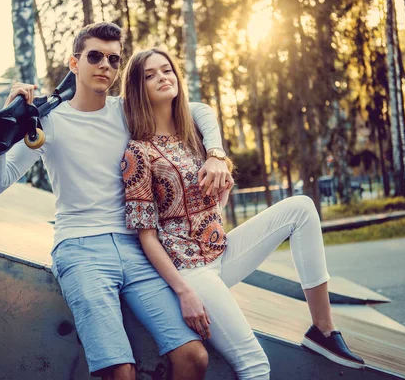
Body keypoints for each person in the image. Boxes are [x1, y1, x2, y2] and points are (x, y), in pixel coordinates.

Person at [0, 22, 233, 380]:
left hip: (137, 248)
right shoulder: (47, 122)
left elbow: (200, 110)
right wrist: (4, 129)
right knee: (122, 373)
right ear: (74, 63)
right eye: (95, 56)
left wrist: (216, 153)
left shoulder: (126, 112)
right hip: (81, 251)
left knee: (194, 357)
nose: (105, 66)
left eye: (114, 60)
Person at [120, 48, 366, 379]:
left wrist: (219, 184)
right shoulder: (138, 153)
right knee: (255, 364)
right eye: (150, 75)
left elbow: (206, 194)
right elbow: (146, 237)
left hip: (221, 251)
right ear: (138, 89)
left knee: (301, 208)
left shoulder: (195, 137)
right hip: (192, 272)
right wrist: (184, 291)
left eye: (167, 70)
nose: (163, 77)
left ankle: (322, 330)